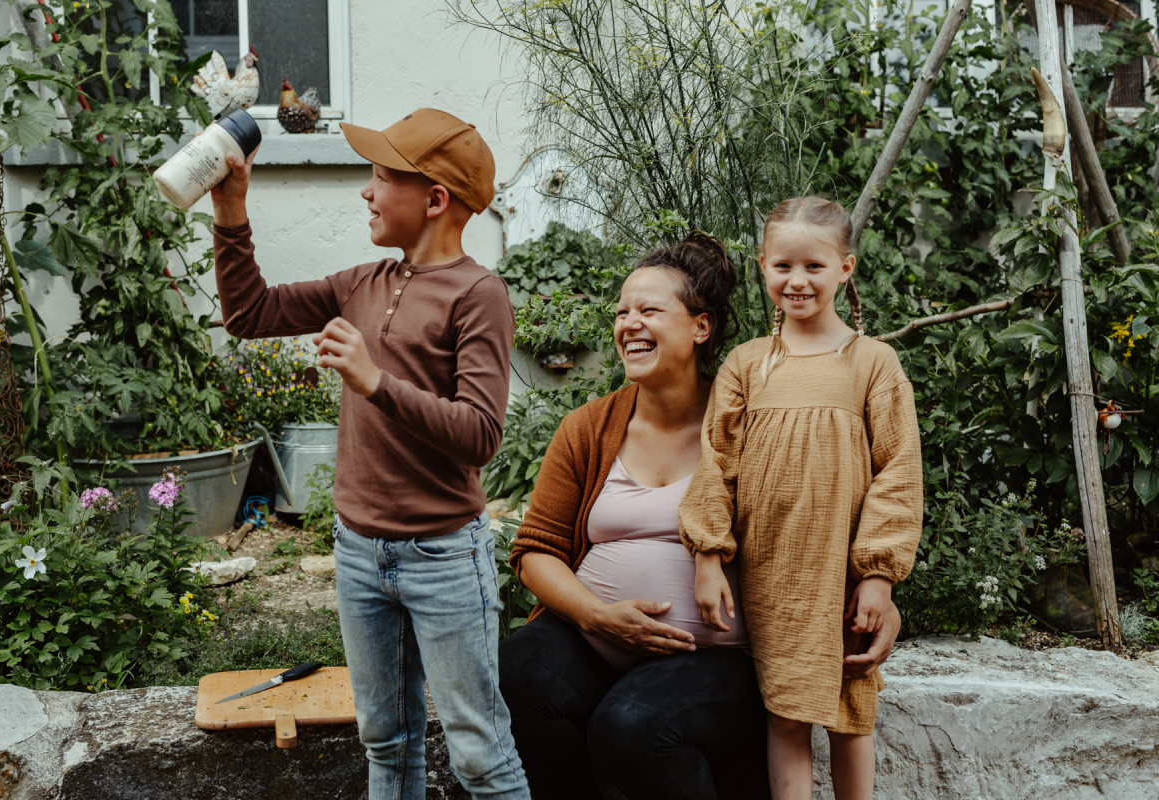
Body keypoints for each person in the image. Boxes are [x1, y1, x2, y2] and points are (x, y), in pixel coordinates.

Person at [499, 233, 903, 800]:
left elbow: (813, 519)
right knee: (514, 671)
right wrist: (596, 615)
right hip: (593, 640)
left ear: (700, 327)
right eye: (621, 312)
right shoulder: (588, 427)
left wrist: (875, 585)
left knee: (635, 724)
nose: (629, 323)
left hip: (720, 659)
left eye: (648, 310)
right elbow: (536, 550)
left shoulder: (751, 422)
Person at [209, 109, 529, 799]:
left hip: (443, 558)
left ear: (435, 199)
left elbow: (480, 434)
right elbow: (249, 313)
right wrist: (232, 208)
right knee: (386, 744)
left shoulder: (479, 295)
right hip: (360, 552)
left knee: (478, 754)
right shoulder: (364, 284)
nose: (367, 191)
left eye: (382, 177)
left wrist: (375, 382)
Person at [682, 197, 923, 800]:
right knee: (785, 712)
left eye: (813, 267)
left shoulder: (873, 363)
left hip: (842, 572)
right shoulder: (746, 365)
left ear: (846, 268)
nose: (797, 281)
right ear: (763, 266)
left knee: (849, 708)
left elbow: (898, 471)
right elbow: (716, 462)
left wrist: (878, 576)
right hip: (772, 572)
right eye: (783, 266)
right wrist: (708, 555)